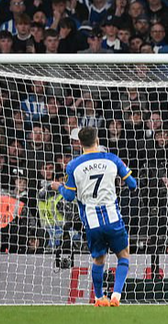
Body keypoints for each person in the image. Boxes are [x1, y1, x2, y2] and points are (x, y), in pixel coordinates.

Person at [51, 126, 138, 307]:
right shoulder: (112, 159)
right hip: (113, 219)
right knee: (123, 256)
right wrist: (119, 180)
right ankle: (116, 295)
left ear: (80, 144)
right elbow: (133, 184)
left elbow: (68, 196)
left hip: (91, 222)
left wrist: (57, 186)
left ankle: (99, 299)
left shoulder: (73, 166)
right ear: (97, 141)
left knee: (98, 260)